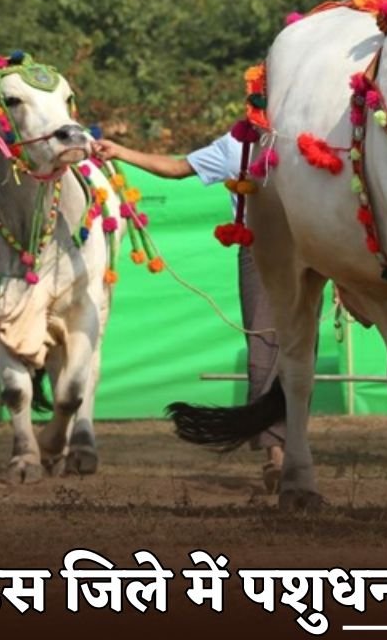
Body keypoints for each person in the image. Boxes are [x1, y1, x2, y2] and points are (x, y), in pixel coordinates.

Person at [93, 133, 286, 491]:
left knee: (300, 354)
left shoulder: (309, 135)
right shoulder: (237, 143)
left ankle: (295, 451)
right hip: (258, 251)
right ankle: (277, 455)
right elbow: (178, 167)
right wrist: (119, 150)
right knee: (264, 352)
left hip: (312, 248)